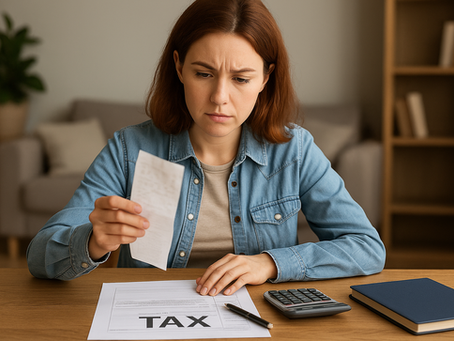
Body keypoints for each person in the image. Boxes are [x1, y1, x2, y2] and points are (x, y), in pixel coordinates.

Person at [27, 0, 385, 296]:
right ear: (179, 66)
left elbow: (366, 247)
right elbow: (40, 257)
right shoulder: (129, 149)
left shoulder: (294, 151)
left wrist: (270, 262)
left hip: (258, 319)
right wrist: (91, 241)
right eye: (203, 73)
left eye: (241, 79)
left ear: (265, 78)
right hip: (149, 315)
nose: (219, 98)